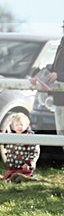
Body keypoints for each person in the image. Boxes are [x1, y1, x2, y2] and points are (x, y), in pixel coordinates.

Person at [0, 112, 39, 181]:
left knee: (18, 177)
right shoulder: (10, 137)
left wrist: (28, 163)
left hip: (25, 167)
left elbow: (34, 152)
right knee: (7, 177)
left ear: (26, 125)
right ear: (13, 127)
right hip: (13, 167)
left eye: (21, 124)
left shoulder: (30, 137)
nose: (19, 127)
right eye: (17, 125)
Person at [44, 20, 64, 150]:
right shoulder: (62, 42)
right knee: (61, 134)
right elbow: (56, 66)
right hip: (59, 98)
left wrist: (59, 75)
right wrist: (40, 74)